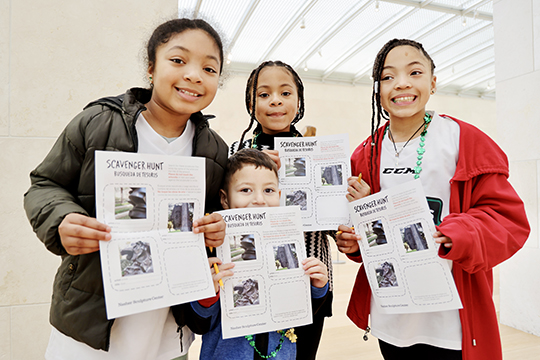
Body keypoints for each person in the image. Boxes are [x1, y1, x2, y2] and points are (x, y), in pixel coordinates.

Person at [23, 18, 229, 360]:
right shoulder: (99, 122)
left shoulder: (214, 150)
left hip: (169, 331)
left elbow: (212, 214)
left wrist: (216, 225)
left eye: (209, 68)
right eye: (178, 61)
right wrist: (63, 220)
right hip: (91, 327)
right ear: (151, 67)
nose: (194, 75)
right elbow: (46, 183)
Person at [335, 38, 530, 360]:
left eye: (415, 72)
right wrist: (353, 242)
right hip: (390, 310)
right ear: (377, 90)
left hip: (450, 314)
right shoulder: (365, 153)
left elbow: (508, 220)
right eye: (387, 76)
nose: (401, 84)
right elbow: (361, 230)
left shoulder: (463, 141)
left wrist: (461, 233)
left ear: (433, 82)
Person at [230, 61, 333, 359]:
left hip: (309, 278)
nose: (275, 100)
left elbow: (334, 224)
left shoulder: (319, 155)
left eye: (285, 93)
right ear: (251, 102)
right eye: (264, 95)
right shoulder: (233, 154)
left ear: (298, 100)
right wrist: (255, 170)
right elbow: (225, 211)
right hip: (250, 277)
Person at [191, 148, 329, 359]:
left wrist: (317, 287)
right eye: (246, 190)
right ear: (225, 199)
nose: (259, 200)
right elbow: (200, 323)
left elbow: (301, 313)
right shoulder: (213, 249)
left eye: (269, 190)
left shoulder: (288, 248)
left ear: (280, 196)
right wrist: (208, 292)